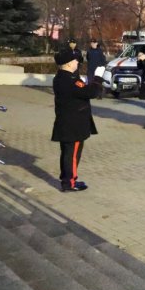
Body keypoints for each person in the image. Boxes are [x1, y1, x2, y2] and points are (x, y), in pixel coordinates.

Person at [51, 49, 104, 192]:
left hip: (68, 123)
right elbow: (91, 92)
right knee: (72, 154)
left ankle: (68, 179)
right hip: (73, 124)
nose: (77, 63)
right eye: (75, 61)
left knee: (68, 153)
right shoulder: (69, 80)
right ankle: (70, 182)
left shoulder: (62, 77)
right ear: (68, 64)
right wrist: (98, 78)